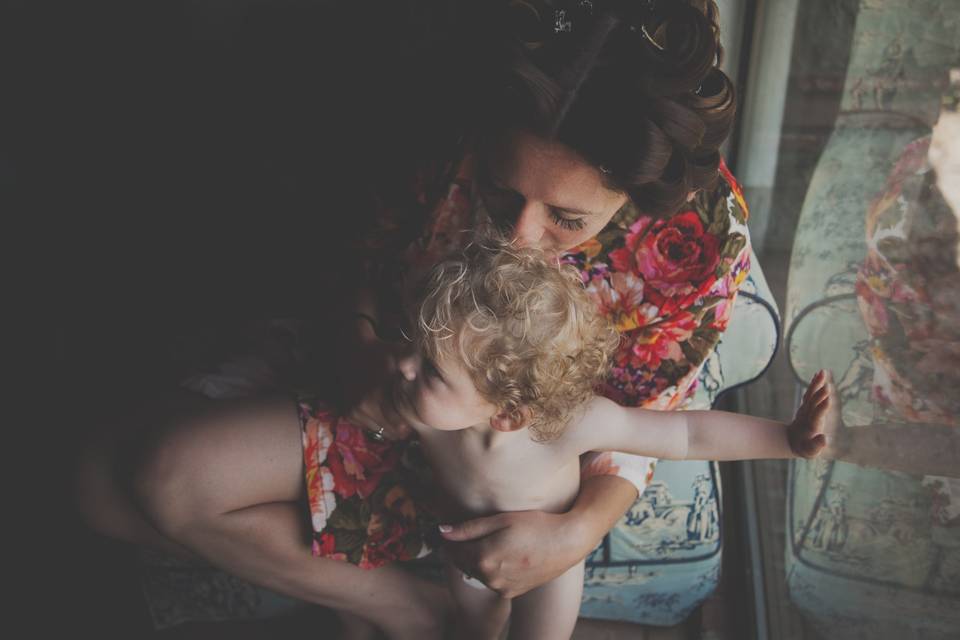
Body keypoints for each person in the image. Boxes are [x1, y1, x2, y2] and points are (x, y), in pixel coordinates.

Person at [73, 0, 750, 637]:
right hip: (399, 392)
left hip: (514, 469)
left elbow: (649, 414)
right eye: (499, 189)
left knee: (152, 480)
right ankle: (406, 607)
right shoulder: (445, 127)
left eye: (567, 220)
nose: (518, 238)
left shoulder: (702, 238)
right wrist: (359, 350)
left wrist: (579, 530)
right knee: (102, 486)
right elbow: (357, 264)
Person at [299, 239, 835, 640]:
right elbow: (357, 395)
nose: (404, 365)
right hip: (463, 544)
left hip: (549, 564)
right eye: (414, 344)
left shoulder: (571, 426)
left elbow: (688, 432)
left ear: (508, 414)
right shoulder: (419, 405)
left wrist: (787, 439)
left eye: (431, 370)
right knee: (472, 626)